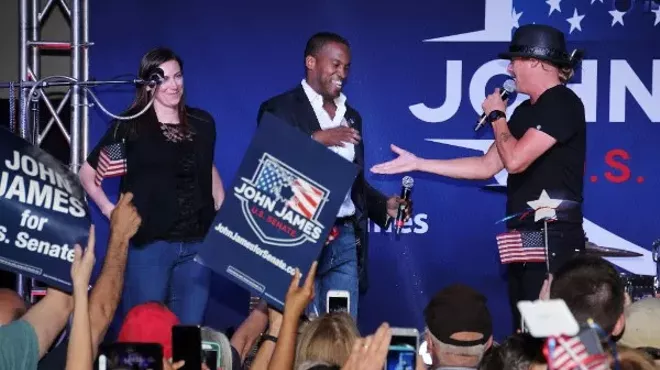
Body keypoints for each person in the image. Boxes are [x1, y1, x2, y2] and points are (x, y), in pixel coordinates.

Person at [371, 24, 586, 331]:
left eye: (516, 60)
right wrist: (419, 163)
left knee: (550, 335)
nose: (510, 68)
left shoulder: (563, 102)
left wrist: (498, 115)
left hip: (553, 236)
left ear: (538, 62)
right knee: (525, 330)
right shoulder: (525, 110)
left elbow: (514, 160)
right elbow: (486, 166)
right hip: (524, 234)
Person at [257, 32, 412, 320]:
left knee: (342, 327)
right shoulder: (279, 108)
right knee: (297, 326)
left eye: (347, 67)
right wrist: (316, 139)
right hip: (298, 235)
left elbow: (350, 180)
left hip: (344, 238)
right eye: (336, 65)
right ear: (311, 62)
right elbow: (268, 166)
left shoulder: (351, 115)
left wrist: (383, 206)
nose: (342, 73)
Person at [79, 47, 225, 325]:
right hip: (149, 246)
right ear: (147, 85)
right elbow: (87, 174)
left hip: (197, 247)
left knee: (187, 338)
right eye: (163, 79)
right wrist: (111, 212)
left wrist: (220, 202)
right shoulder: (130, 126)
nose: (174, 85)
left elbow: (207, 164)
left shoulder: (203, 122)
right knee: (144, 334)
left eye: (178, 76)